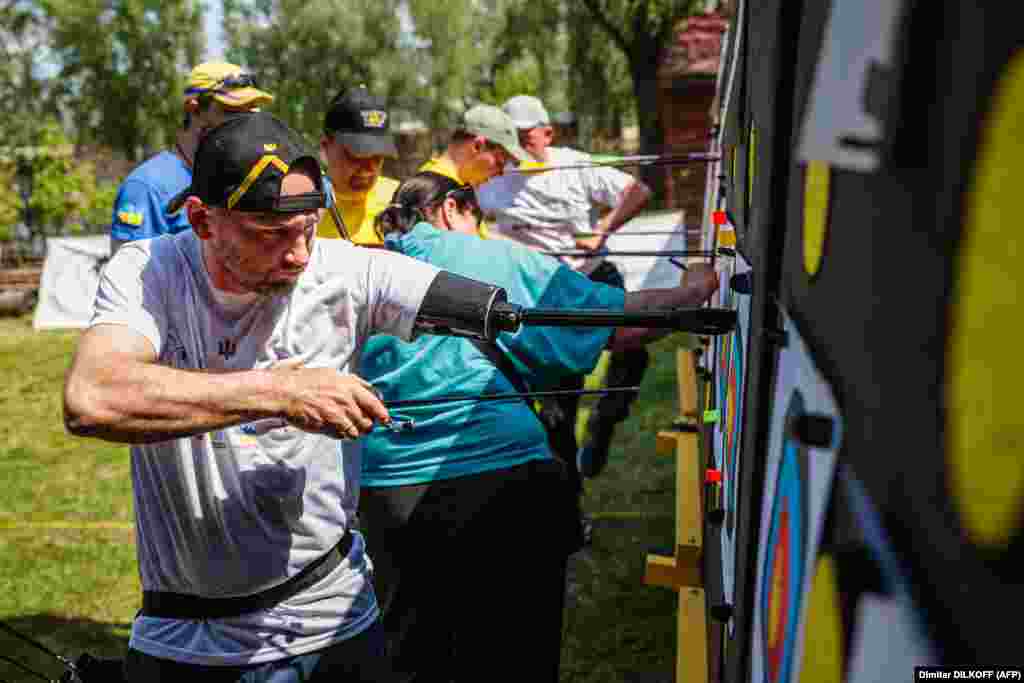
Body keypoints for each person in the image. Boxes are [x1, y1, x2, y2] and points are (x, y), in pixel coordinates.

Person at [63, 113, 520, 682]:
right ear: (204, 221)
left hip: (336, 625)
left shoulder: (340, 270)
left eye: (307, 227)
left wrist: (552, 301)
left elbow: (485, 289)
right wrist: (279, 391)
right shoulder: (150, 270)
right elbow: (93, 397)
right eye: (270, 233)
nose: (300, 254)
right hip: (188, 643)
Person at [356, 171, 719, 682]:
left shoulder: (359, 266)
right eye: (477, 219)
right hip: (501, 481)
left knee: (417, 659)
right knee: (519, 658)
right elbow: (614, 324)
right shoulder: (491, 257)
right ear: (454, 209)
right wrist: (694, 291)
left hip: (386, 493)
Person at [477, 94, 654, 520]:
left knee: (636, 346)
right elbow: (472, 226)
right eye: (511, 137)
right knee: (559, 407)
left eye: (526, 136)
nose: (518, 145)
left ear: (547, 133)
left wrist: (601, 230)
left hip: (592, 273)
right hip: (543, 293)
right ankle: (567, 512)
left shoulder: (572, 163)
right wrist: (499, 243)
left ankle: (605, 423)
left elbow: (638, 189)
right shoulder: (493, 179)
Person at [109, 62, 273, 254]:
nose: (244, 124)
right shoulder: (147, 187)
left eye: (250, 113)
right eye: (232, 111)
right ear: (193, 109)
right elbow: (128, 276)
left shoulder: (246, 178)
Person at [316, 85, 400, 246]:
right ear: (325, 146)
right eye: (356, 155)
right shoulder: (304, 211)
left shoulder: (399, 200)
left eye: (377, 157)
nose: (369, 168)